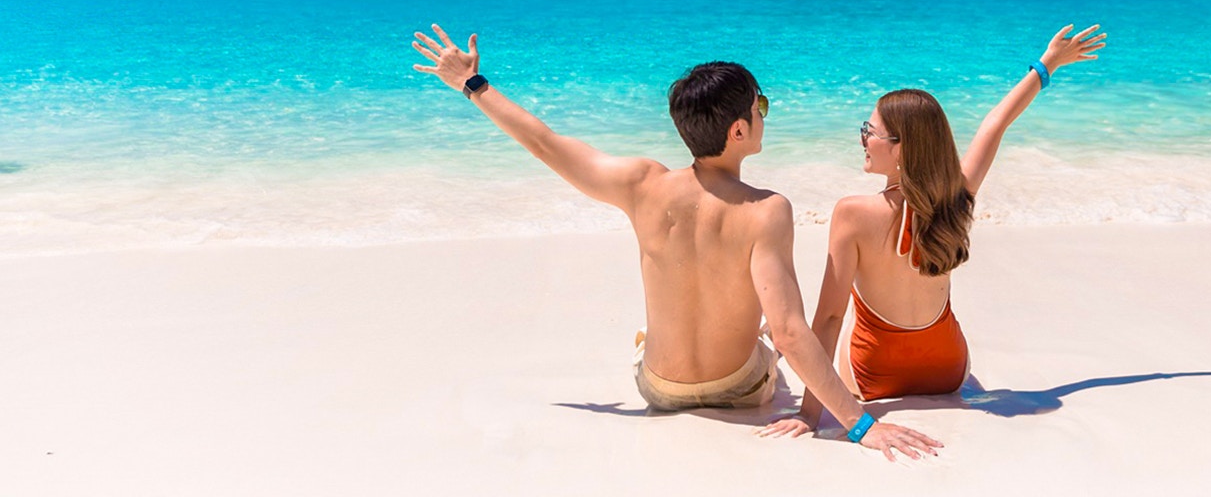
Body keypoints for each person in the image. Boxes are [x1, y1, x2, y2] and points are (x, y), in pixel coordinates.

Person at [411, 24, 940, 460]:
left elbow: (544, 142)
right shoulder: (765, 209)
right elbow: (791, 332)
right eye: (761, 107)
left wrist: (473, 84)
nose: (763, 116)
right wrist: (859, 425)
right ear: (737, 131)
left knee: (670, 332)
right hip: (740, 386)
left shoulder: (642, 185)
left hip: (659, 388)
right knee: (764, 333)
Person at [760, 24, 1106, 437]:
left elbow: (831, 318)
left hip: (874, 375)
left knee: (839, 324)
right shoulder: (955, 197)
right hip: (947, 369)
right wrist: (1046, 65)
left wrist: (810, 416)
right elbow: (996, 124)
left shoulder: (852, 213)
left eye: (869, 132)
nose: (862, 139)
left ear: (901, 147)